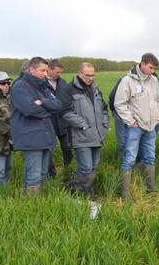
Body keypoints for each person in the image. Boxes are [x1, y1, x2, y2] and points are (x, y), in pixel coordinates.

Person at [114, 53, 159, 198]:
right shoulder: (127, 81)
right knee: (129, 158)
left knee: (150, 157)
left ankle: (151, 187)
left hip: (151, 127)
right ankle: (125, 191)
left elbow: (157, 101)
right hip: (135, 128)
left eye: (154, 69)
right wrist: (131, 122)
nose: (153, 71)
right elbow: (119, 104)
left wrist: (157, 119)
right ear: (142, 64)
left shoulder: (154, 80)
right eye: (150, 67)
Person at [10, 57, 62, 194]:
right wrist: (48, 111)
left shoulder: (43, 86)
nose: (45, 74)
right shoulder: (20, 86)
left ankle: (41, 205)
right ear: (31, 69)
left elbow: (58, 105)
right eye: (42, 70)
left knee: (43, 174)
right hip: (31, 137)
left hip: (46, 136)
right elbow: (29, 110)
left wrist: (42, 101)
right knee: (34, 175)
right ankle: (31, 204)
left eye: (46, 70)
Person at [60, 63, 109, 196]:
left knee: (93, 167)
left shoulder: (96, 89)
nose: (91, 78)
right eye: (88, 75)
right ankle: (72, 190)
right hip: (81, 136)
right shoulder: (69, 89)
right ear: (80, 73)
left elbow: (104, 109)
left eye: (93, 75)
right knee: (86, 168)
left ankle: (86, 191)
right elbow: (65, 112)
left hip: (97, 136)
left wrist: (105, 124)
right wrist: (83, 124)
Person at [44, 59, 72, 177]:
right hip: (48, 122)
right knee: (48, 150)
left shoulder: (63, 83)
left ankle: (68, 170)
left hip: (62, 121)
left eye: (60, 72)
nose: (59, 75)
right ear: (49, 69)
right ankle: (51, 174)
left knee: (67, 147)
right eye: (57, 72)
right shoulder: (41, 83)